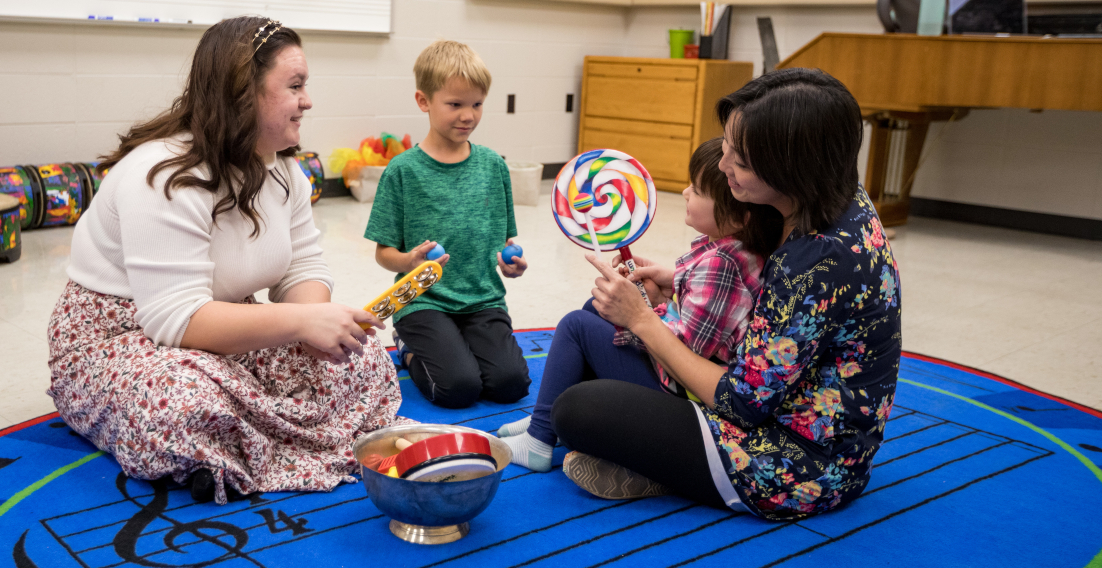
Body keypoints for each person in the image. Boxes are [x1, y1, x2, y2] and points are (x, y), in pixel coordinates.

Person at [47, 17, 408, 505]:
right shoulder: (163, 177)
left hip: (221, 321)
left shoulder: (284, 171)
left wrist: (316, 326)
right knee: (181, 403)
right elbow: (175, 319)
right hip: (125, 335)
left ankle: (233, 444)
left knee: (361, 366)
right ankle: (215, 441)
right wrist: (303, 323)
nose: (308, 100)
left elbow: (302, 269)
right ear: (245, 94)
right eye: (295, 86)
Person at [551, 68, 902, 521]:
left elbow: (742, 402)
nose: (721, 166)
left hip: (797, 467)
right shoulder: (837, 195)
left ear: (788, 168)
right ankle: (664, 462)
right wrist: (678, 283)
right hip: (789, 416)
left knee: (581, 409)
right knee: (596, 319)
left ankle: (670, 473)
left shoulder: (815, 263)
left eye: (739, 161)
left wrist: (644, 319)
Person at [497, 138, 782, 473]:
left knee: (576, 325)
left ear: (740, 218)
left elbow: (689, 350)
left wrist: (638, 311)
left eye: (698, 190)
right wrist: (663, 292)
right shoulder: (729, 250)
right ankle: (546, 413)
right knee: (595, 307)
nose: (686, 193)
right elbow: (701, 313)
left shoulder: (723, 265)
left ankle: (539, 440)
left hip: (681, 392)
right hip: (681, 376)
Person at [364, 40, 530, 409]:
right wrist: (408, 262)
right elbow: (383, 253)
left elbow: (507, 239)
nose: (467, 115)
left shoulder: (493, 166)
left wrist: (513, 263)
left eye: (476, 104)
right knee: (457, 388)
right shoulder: (402, 170)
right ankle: (407, 346)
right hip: (423, 302)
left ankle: (458, 344)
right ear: (424, 101)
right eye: (455, 104)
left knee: (511, 384)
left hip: (483, 299)